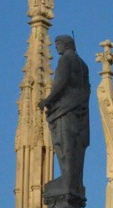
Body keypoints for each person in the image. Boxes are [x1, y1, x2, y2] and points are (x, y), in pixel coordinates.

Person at [38, 35, 90, 193]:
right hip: (79, 110)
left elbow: (60, 83)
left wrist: (47, 100)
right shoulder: (83, 65)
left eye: (58, 44)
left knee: (63, 143)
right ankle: (74, 180)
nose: (56, 47)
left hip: (65, 109)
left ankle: (67, 180)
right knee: (75, 146)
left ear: (66, 44)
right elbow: (87, 89)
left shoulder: (65, 61)